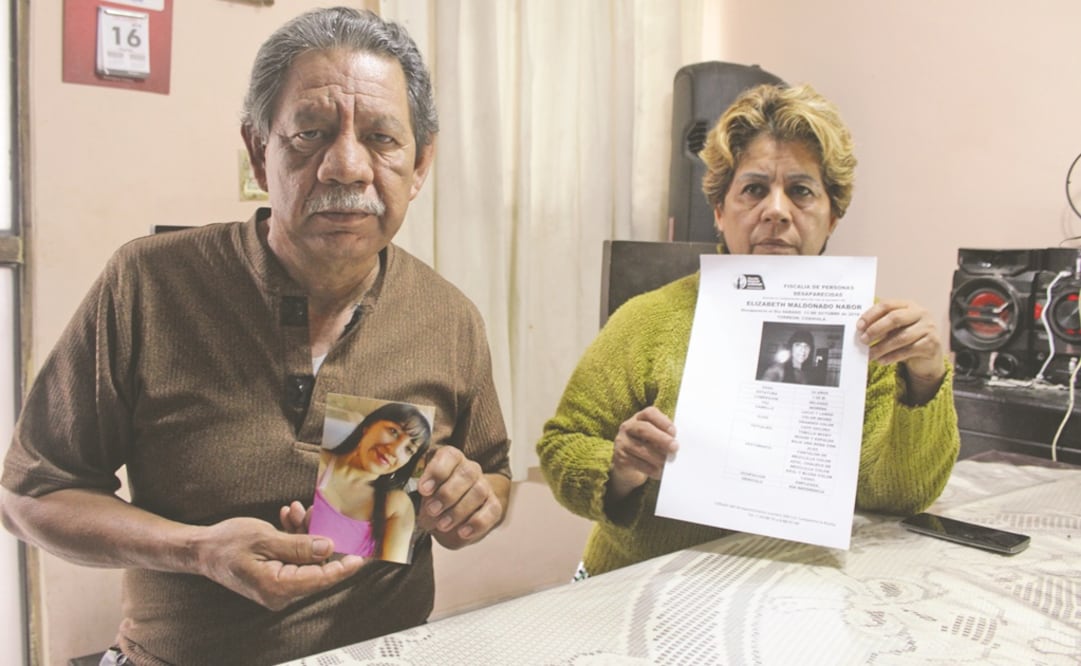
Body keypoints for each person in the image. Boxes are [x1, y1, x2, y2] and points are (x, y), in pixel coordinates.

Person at [0, 7, 511, 665]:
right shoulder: (150, 285)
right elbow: (31, 496)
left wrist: (470, 502)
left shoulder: (448, 317)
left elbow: (490, 475)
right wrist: (194, 550)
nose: (347, 167)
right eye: (310, 133)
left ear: (420, 164)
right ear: (257, 150)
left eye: (383, 139)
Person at [537, 83, 959, 579]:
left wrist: (926, 376)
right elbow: (562, 444)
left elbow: (900, 495)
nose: (776, 211)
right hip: (642, 587)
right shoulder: (646, 319)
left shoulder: (872, 335)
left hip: (792, 596)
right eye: (754, 189)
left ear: (834, 215)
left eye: (801, 191)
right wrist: (619, 467)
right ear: (719, 211)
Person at [310, 402, 432, 563]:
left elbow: (388, 574)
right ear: (368, 426)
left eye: (409, 449)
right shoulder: (316, 463)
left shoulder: (397, 505)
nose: (394, 450)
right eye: (393, 432)